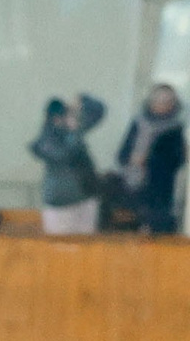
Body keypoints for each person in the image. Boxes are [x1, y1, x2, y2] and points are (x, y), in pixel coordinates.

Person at [114, 84, 185, 236]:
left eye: (166, 101)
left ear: (173, 104)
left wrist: (148, 160)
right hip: (131, 188)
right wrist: (132, 159)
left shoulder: (175, 129)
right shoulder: (138, 123)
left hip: (158, 194)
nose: (161, 104)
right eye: (157, 100)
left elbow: (176, 161)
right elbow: (122, 155)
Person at [30, 95, 105, 236]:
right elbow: (64, 154)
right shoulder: (46, 139)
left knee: (87, 246)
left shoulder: (72, 131)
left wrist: (83, 100)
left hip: (85, 198)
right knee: (58, 246)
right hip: (59, 204)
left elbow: (99, 111)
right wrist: (74, 132)